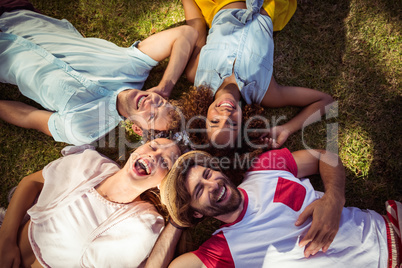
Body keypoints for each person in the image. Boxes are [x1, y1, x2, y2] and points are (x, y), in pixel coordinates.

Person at [146, 149, 401, 267]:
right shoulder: (221, 250)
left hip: (389, 229)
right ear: (197, 213)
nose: (212, 184)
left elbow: (325, 156)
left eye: (208, 173)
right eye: (199, 191)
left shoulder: (265, 166)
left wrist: (334, 199)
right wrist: (178, 220)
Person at [0, 1, 197, 145]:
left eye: (152, 116)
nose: (151, 103)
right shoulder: (133, 67)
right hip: (15, 12)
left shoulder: (83, 127)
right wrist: (166, 87)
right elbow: (186, 34)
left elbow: (28, 116)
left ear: (137, 129)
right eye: (161, 102)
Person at [0, 138, 183, 267]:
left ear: (162, 183)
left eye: (165, 163)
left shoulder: (143, 223)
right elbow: (31, 183)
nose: (155, 155)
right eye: (153, 147)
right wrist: (6, 241)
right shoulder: (91, 163)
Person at [177, 0, 334, 149]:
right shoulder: (265, 92)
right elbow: (325, 100)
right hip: (268, 5)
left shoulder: (196, 74)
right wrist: (286, 129)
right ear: (244, 124)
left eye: (215, 121)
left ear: (203, 116)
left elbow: (196, 25)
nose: (226, 115)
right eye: (232, 124)